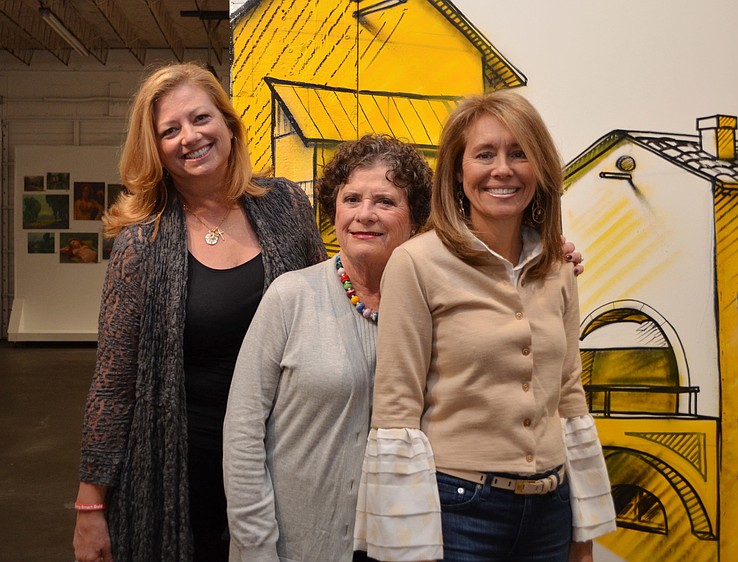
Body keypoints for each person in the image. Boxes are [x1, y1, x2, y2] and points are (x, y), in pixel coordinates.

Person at [72, 62, 326, 562]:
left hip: (285, 455)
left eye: (200, 118)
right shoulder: (141, 242)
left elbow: (325, 310)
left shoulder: (286, 205)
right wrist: (89, 505)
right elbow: (113, 381)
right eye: (170, 130)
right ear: (156, 149)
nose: (189, 137)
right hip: (185, 467)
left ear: (228, 125)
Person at [354, 91, 616, 562]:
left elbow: (569, 394)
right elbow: (397, 407)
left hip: (551, 512)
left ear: (540, 167)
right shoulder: (416, 263)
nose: (502, 169)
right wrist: (401, 542)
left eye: (519, 153)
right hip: (459, 513)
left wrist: (584, 533)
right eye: (484, 154)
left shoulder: (557, 266)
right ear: (458, 171)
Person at [223, 134, 432, 562]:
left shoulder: (430, 304)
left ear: (415, 219)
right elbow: (242, 431)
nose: (364, 214)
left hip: (395, 544)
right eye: (351, 199)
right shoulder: (290, 296)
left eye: (385, 201)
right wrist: (255, 544)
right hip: (292, 546)